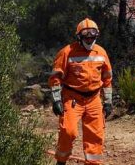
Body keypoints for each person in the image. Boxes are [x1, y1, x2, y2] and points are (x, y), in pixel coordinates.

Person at [48, 18, 113, 165]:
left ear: (97, 35)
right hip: (72, 99)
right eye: (86, 34)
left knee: (95, 136)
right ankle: (61, 161)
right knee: (68, 132)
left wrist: (108, 102)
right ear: (79, 36)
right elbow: (55, 77)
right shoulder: (67, 52)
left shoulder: (101, 52)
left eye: (92, 34)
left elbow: (107, 79)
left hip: (94, 99)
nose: (89, 38)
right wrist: (57, 99)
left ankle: (93, 163)